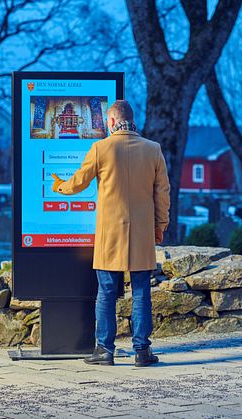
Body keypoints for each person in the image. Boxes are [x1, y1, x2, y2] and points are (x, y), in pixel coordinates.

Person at [51, 100, 170, 367]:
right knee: (141, 291)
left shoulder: (101, 148)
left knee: (105, 291)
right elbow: (162, 194)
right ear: (131, 119)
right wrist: (159, 227)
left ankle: (105, 350)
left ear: (112, 122)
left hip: (109, 234)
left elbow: (78, 183)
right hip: (141, 233)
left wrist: (59, 186)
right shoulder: (153, 150)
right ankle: (142, 351)